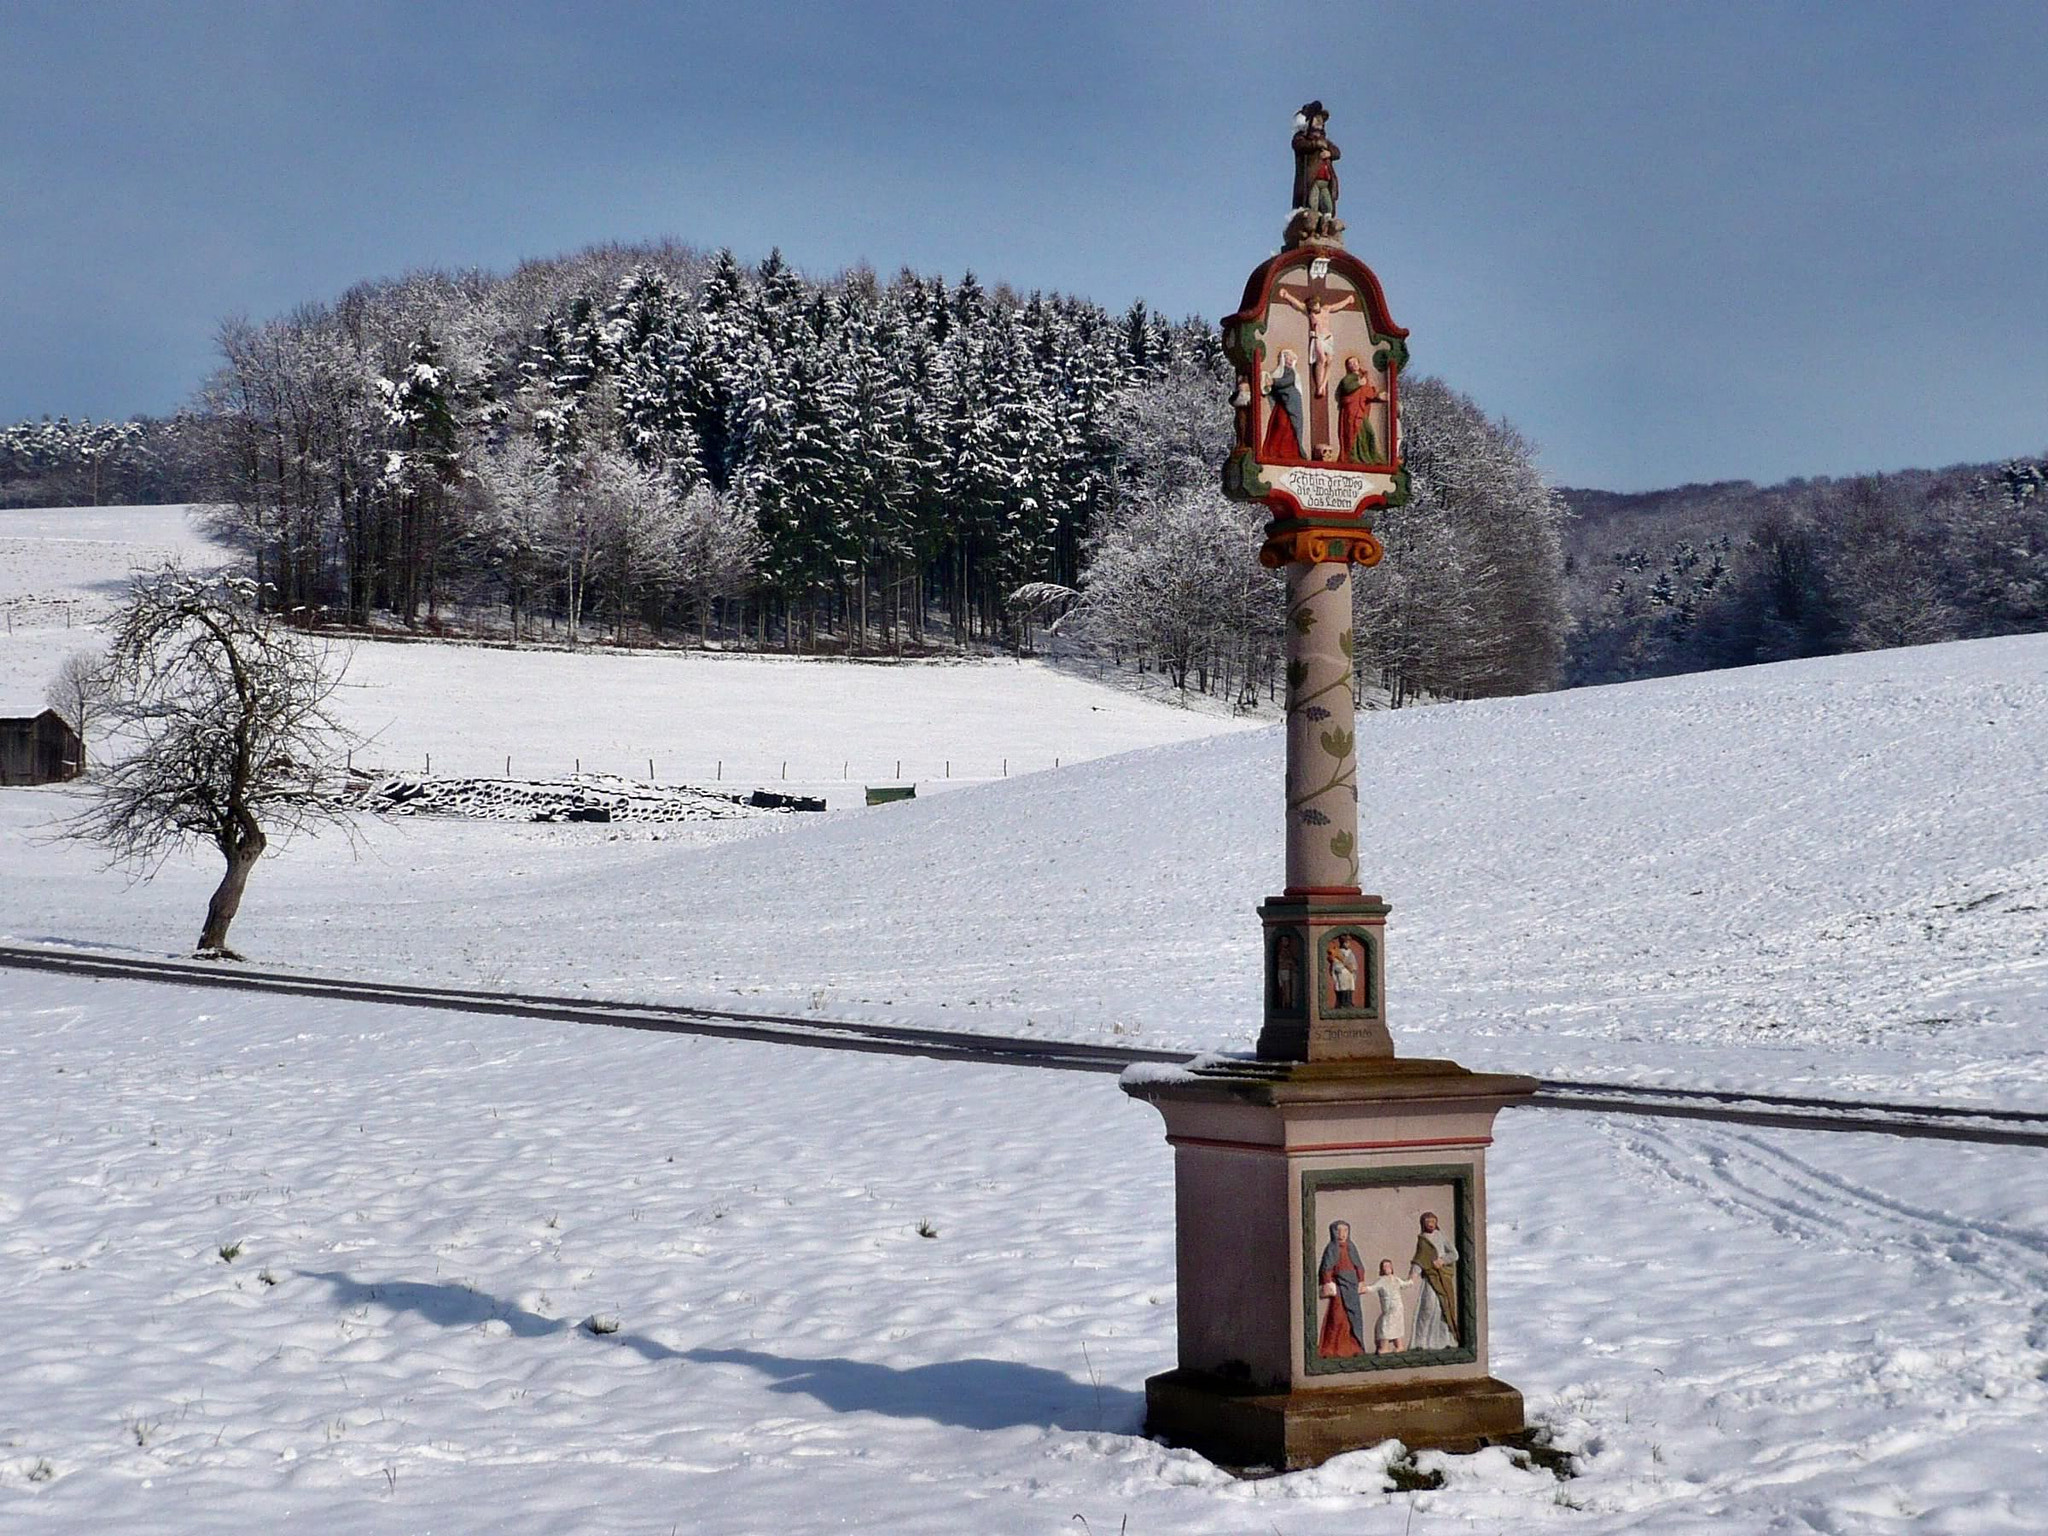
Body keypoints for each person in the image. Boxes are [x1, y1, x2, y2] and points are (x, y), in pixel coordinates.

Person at [1316, 1219, 1367, 1357]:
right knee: (1337, 1317)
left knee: (1353, 1318)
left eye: (1345, 1230)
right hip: (1339, 1286)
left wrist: (1361, 1281)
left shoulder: (1351, 1247)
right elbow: (1326, 1268)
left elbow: (1359, 1266)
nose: (1342, 1234)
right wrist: (1328, 1282)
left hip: (1352, 1286)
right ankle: (1332, 1348)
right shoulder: (1331, 1248)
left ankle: (1354, 1347)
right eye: (1338, 1231)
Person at [1408, 1211, 1459, 1349]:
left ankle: (1446, 1340)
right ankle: (1421, 1342)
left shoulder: (1440, 1236)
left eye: (1433, 1221)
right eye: (1428, 1222)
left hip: (1443, 1277)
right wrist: (1413, 1275)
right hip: (1430, 1278)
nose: (1430, 1224)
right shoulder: (1423, 1239)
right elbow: (1419, 1259)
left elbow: (1454, 1254)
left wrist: (1442, 1261)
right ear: (1423, 1224)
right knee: (1427, 1307)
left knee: (1444, 1307)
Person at [1336, 355, 1381, 464]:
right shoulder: (1349, 378)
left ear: (1359, 363)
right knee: (1353, 431)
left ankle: (1368, 456)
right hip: (1352, 408)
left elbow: (1368, 394)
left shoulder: (1364, 378)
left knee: (1369, 432)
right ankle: (1353, 456)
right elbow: (1346, 387)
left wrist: (1379, 396)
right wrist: (1358, 384)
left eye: (1355, 362)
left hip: (1361, 410)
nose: (1353, 365)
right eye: (1350, 364)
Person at [1262, 351, 1305, 461]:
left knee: (1290, 426)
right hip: (1282, 404)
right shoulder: (1279, 372)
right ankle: (1275, 450)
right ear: (1282, 359)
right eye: (1287, 359)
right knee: (1280, 424)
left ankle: (1290, 451)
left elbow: (1287, 381)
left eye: (1291, 360)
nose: (1290, 362)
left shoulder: (1291, 373)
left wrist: (1273, 382)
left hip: (1291, 402)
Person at [1367, 1259, 1412, 1353]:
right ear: (1382, 1269)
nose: (1387, 1268)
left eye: (1389, 1266)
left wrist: (1412, 1277)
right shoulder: (1382, 1281)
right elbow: (1372, 1288)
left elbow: (1405, 1284)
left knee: (1393, 1326)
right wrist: (1362, 1288)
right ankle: (1385, 1347)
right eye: (1385, 1267)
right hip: (1388, 1308)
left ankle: (1398, 1346)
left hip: (1397, 1306)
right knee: (1385, 1325)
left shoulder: (1396, 1279)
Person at [1328, 937, 1357, 1010]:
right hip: (1342, 972)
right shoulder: (1338, 952)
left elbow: (1353, 963)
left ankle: (1349, 1001)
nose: (1347, 944)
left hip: (1349, 973)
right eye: (1346, 943)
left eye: (1348, 943)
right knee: (1343, 987)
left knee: (1350, 987)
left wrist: (1352, 967)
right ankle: (1342, 1002)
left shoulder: (1351, 953)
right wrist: (1342, 966)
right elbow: (1336, 963)